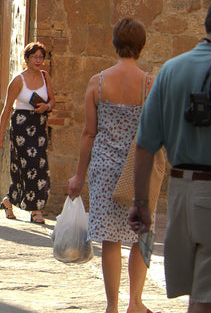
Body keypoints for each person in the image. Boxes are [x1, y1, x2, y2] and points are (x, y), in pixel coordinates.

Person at [128, 1, 211, 312]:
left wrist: (141, 203)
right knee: (207, 297)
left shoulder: (171, 70)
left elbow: (145, 144)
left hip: (181, 193)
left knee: (200, 291)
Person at [67, 18, 155, 313]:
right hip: (137, 170)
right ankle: (136, 303)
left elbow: (89, 133)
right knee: (141, 233)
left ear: (114, 44)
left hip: (104, 168)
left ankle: (112, 306)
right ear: (142, 46)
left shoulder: (98, 82)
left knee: (110, 237)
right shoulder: (149, 84)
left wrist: (79, 176)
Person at [0, 42, 54, 223]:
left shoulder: (45, 77)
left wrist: (47, 106)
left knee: (40, 165)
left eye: (41, 57)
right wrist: (0, 133)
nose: (38, 60)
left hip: (40, 124)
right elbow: (7, 108)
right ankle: (35, 210)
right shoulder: (18, 80)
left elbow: (54, 100)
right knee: (28, 166)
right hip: (21, 126)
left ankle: (9, 200)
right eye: (34, 57)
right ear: (26, 59)